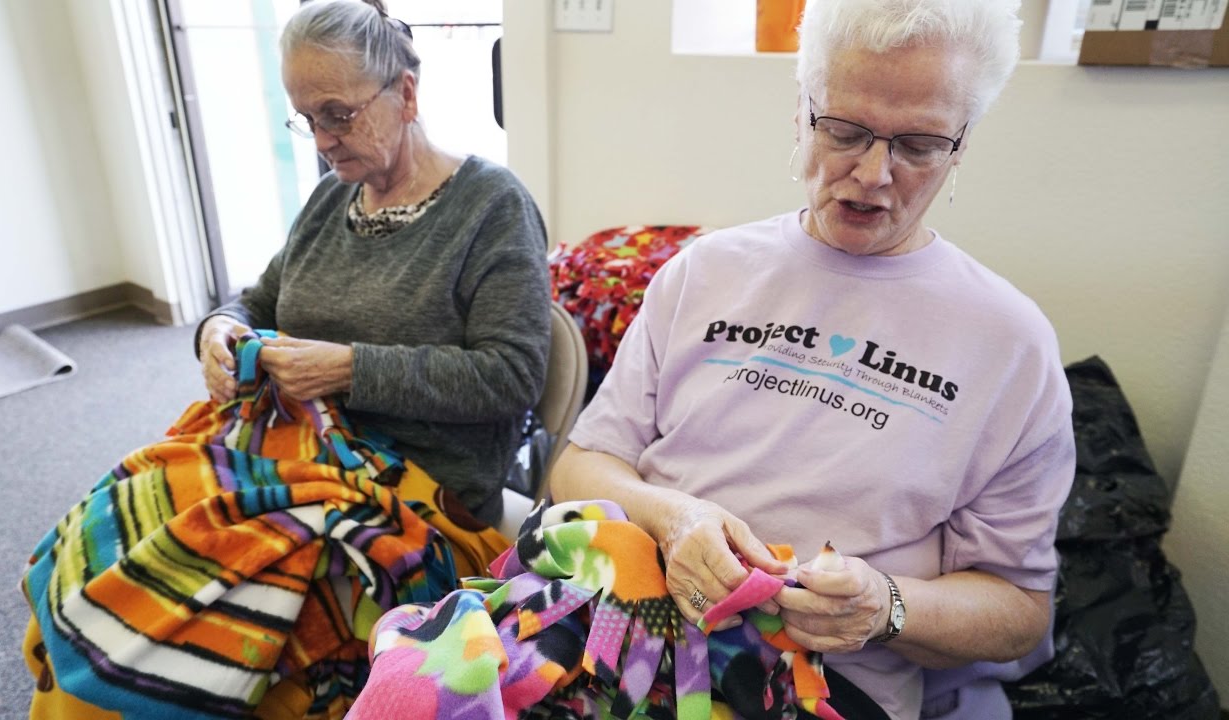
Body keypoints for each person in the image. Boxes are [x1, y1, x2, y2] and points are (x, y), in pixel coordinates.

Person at [549, 1, 1075, 718]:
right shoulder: (707, 272)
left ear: (962, 146)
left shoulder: (1009, 344)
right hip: (619, 618)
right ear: (800, 112)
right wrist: (671, 518)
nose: (873, 173)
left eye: (918, 144)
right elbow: (580, 466)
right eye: (845, 130)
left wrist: (885, 607)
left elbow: (1018, 610)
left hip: (818, 686)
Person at [196, 0, 551, 529]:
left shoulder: (492, 207)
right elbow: (256, 303)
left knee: (204, 565)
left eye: (338, 115)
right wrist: (218, 327)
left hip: (422, 490)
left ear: (405, 95)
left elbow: (512, 376)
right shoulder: (329, 201)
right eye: (309, 120)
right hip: (301, 449)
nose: (321, 141)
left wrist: (349, 369)